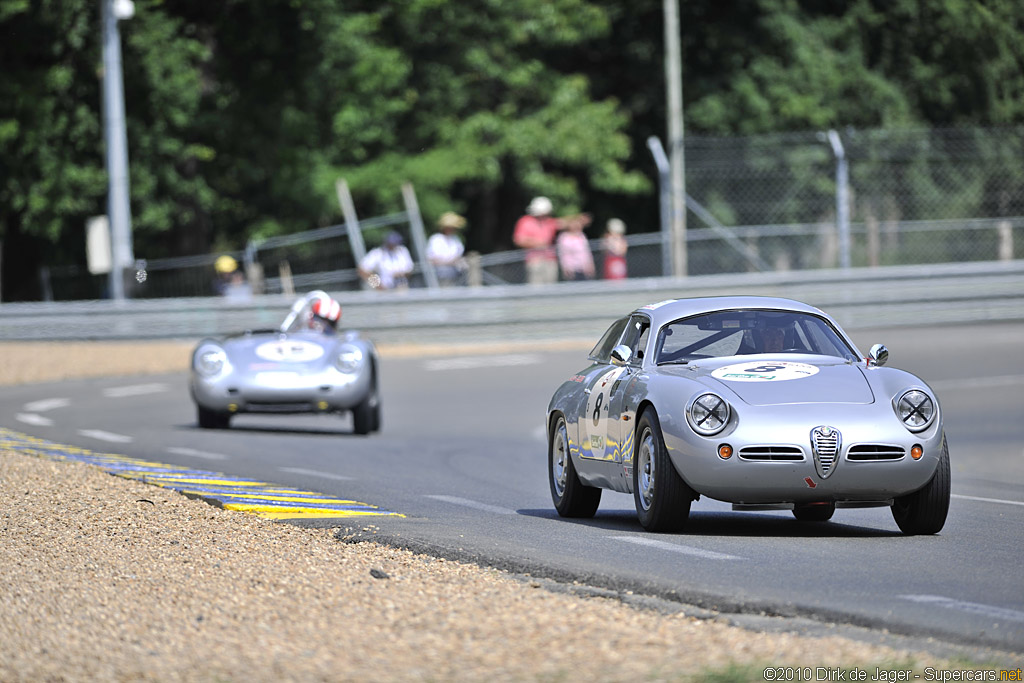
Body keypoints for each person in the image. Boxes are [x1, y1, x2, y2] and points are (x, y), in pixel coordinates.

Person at [513, 196, 591, 285]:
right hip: (535, 260)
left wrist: (578, 218)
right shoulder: (525, 221)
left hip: (550, 260)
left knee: (550, 287)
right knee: (536, 286)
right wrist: (537, 243)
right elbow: (519, 240)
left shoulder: (549, 222)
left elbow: (563, 223)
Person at [427, 211, 468, 287]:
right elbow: (433, 260)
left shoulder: (456, 239)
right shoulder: (435, 239)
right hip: (440, 273)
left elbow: (459, 256)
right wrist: (450, 262)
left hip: (456, 273)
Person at [556, 214, 595, 281]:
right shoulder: (564, 237)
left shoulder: (581, 236)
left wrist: (590, 265)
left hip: (583, 268)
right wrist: (566, 267)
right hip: (571, 269)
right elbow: (563, 254)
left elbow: (586, 252)